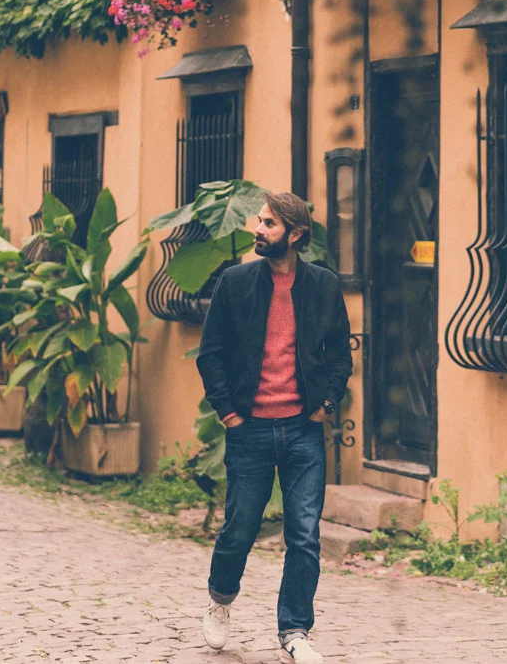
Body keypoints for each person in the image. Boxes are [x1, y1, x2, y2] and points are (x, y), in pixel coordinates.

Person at [196, 191, 353, 663]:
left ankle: (295, 630)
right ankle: (220, 602)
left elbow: (340, 352)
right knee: (240, 528)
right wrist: (228, 412)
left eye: (268, 224)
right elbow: (211, 353)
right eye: (259, 221)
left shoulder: (323, 285)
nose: (257, 229)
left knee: (304, 535)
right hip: (250, 430)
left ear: (295, 235)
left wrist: (326, 402)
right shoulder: (236, 282)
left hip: (303, 430)